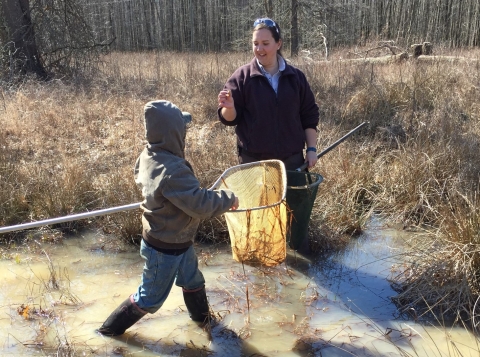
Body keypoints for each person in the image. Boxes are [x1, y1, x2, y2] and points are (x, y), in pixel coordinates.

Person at [97, 100, 239, 336]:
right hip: (164, 248)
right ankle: (107, 332)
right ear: (173, 133)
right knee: (149, 297)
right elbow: (201, 204)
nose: (185, 132)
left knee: (192, 280)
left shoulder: (149, 154)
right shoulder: (172, 170)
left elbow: (186, 195)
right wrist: (228, 199)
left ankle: (203, 323)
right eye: (182, 128)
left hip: (178, 240)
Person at [217, 17, 320, 171]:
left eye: (265, 44)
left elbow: (309, 117)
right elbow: (229, 119)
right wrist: (229, 107)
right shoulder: (242, 77)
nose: (259, 49)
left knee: (291, 196)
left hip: (291, 161)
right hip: (254, 162)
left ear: (278, 43)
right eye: (255, 44)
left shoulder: (296, 78)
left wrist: (311, 149)